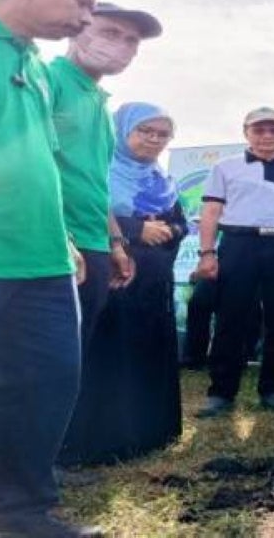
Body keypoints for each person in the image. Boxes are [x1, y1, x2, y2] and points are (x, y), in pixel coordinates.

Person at [0, 0, 104, 537]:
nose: (87, 18)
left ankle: (9, 513)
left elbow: (40, 159)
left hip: (43, 262)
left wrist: (65, 238)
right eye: (80, 0)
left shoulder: (34, 68)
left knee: (42, 388)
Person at [55, 1, 162, 464]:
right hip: (53, 247)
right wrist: (60, 236)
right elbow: (28, 167)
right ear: (79, 27)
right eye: (110, 31)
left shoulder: (100, 107)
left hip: (95, 248)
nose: (119, 45)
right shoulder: (48, 82)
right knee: (35, 364)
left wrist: (116, 243)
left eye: (131, 40)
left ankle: (55, 454)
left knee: (72, 359)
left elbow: (94, 186)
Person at [62, 103, 186, 464]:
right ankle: (102, 442)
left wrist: (166, 230)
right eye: (145, 131)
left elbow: (180, 223)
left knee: (148, 349)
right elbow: (83, 210)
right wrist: (136, 230)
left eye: (162, 134)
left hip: (153, 279)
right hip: (111, 276)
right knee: (108, 352)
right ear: (122, 132)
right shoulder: (100, 170)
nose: (154, 140)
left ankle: (149, 434)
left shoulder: (161, 180)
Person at [195, 107, 274, 417]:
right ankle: (222, 392)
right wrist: (207, 253)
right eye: (259, 129)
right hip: (239, 245)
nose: (267, 135)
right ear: (246, 132)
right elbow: (211, 213)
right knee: (230, 318)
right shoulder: (225, 168)